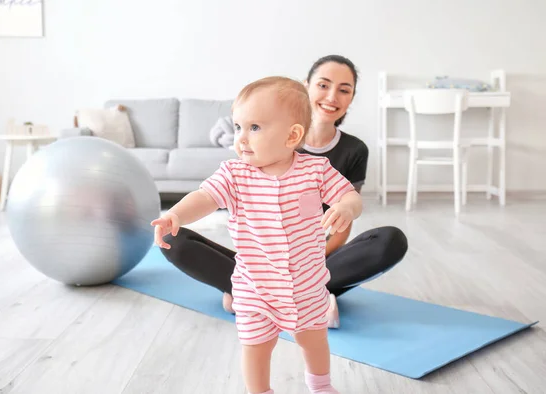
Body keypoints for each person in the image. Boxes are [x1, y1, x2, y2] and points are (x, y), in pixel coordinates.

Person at [159, 55, 408, 328]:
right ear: (306, 87)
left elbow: (347, 209)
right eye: (323, 85)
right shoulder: (261, 145)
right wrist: (176, 214)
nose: (332, 96)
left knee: (390, 240)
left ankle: (304, 293)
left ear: (351, 98)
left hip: (315, 257)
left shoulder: (353, 150)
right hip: (260, 263)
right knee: (174, 238)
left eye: (344, 89)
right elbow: (210, 196)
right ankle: (265, 292)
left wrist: (309, 261)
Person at [152, 76, 359, 394]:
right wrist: (175, 215)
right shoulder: (234, 175)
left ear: (292, 136)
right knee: (255, 347)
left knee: (313, 340)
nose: (241, 139)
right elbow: (204, 197)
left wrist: (346, 208)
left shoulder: (315, 171)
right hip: (255, 289)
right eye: (238, 127)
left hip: (307, 284)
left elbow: (349, 196)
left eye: (255, 128)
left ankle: (321, 386)